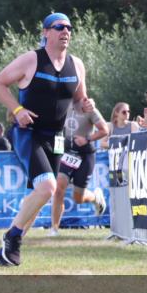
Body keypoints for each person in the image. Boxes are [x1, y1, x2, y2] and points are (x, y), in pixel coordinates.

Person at [0, 12, 92, 267]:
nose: (66, 31)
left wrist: (85, 104)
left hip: (56, 137)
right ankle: (12, 237)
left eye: (69, 27)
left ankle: (3, 254)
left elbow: (79, 99)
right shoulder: (32, 59)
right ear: (46, 32)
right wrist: (17, 110)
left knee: (37, 199)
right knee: (48, 188)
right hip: (29, 133)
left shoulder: (77, 65)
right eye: (59, 27)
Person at [44, 100, 109, 236]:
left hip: (85, 155)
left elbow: (104, 130)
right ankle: (54, 229)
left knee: (78, 198)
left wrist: (87, 138)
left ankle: (95, 197)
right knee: (59, 189)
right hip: (68, 153)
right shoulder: (63, 106)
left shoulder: (89, 108)